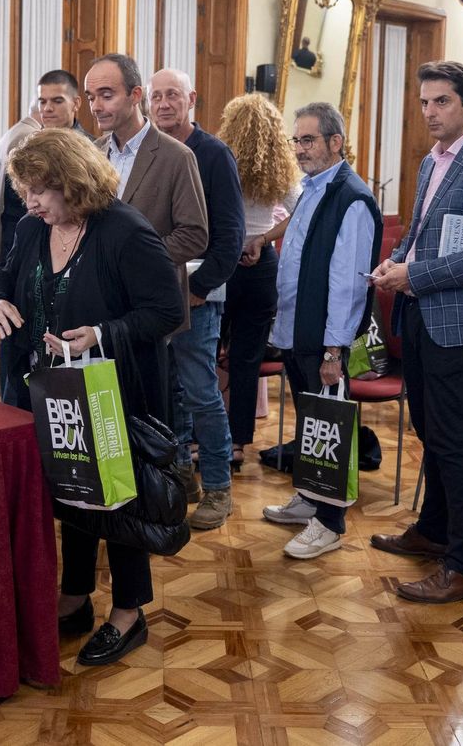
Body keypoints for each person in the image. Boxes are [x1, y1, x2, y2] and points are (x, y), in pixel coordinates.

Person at [0, 127, 183, 666]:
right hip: (50, 391)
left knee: (117, 501)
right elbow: (3, 278)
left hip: (111, 391)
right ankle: (74, 598)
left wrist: (101, 333)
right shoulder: (31, 228)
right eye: (25, 190)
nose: (30, 203)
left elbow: (168, 313)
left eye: (41, 191)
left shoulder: (124, 230)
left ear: (72, 182)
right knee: (69, 493)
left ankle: (129, 612)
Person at [369, 61, 463, 604]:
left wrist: (415, 275)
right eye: (425, 102)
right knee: (430, 434)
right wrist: (394, 262)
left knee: (455, 443)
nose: (430, 112)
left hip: (459, 324)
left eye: (441, 102)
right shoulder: (431, 161)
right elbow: (417, 235)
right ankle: (434, 532)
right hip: (419, 315)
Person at [259, 103, 382, 558]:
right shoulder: (311, 188)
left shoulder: (352, 197)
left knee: (329, 423)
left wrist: (335, 351)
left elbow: (348, 283)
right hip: (296, 327)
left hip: (324, 338)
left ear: (336, 142)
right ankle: (309, 498)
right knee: (311, 421)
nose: (299, 149)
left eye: (308, 140)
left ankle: (329, 522)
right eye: (296, 140)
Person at [149, 68, 244, 529]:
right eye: (156, 96)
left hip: (198, 294)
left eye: (173, 95)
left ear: (192, 99)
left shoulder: (213, 153)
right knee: (168, 391)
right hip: (155, 295)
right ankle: (182, 474)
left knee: (201, 392)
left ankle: (218, 487)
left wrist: (200, 289)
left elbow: (229, 235)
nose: (163, 103)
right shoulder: (152, 151)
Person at [84, 53, 208, 354]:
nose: (97, 106)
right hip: (98, 302)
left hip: (150, 305)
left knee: (148, 397)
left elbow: (194, 234)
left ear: (135, 95)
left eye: (107, 95)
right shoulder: (92, 153)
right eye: (91, 97)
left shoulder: (176, 156)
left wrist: (135, 262)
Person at [0, 69, 92, 397]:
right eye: (42, 101)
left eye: (57, 101)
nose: (47, 108)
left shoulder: (89, 154)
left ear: (77, 103)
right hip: (27, 302)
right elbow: (12, 216)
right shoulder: (27, 149)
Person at [222, 94, 300, 475]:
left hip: (224, 262)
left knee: (210, 354)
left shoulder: (222, 162)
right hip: (262, 264)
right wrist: (264, 238)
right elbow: (301, 211)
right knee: (246, 359)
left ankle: (210, 437)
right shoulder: (280, 169)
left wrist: (239, 242)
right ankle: (237, 443)